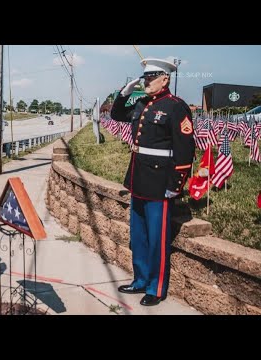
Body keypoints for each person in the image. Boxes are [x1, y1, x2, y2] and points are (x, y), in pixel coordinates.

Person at [111, 58, 195, 306]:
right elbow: (117, 115)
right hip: (138, 179)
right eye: (144, 77)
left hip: (160, 183)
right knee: (138, 236)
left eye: (151, 77)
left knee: (157, 239)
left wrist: (175, 185)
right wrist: (124, 92)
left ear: (164, 79)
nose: (146, 81)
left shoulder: (175, 107)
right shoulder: (141, 103)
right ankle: (140, 279)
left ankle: (156, 288)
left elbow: (184, 149)